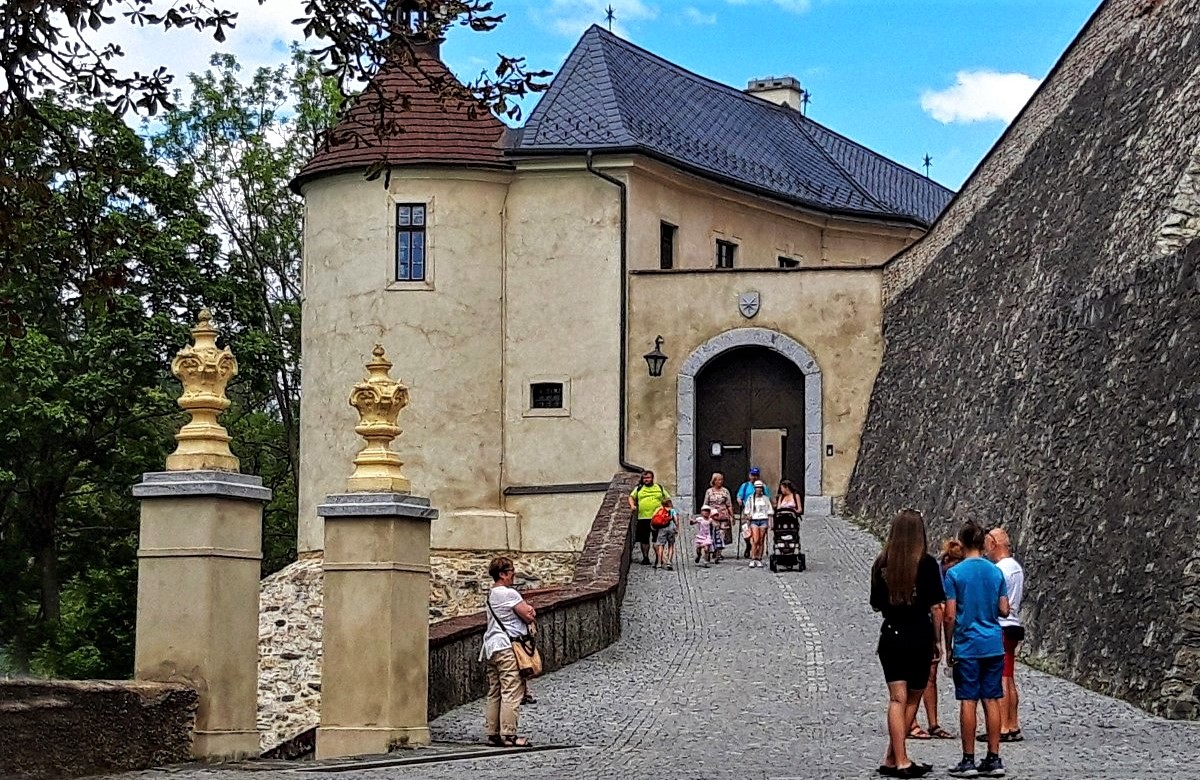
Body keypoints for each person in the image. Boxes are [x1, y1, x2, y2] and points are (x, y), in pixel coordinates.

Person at [870, 509, 943, 778]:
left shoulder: (881, 564)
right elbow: (936, 606)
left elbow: (876, 604)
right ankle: (902, 760)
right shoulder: (926, 564)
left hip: (891, 635)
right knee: (912, 697)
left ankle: (893, 757)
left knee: (895, 699)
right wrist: (938, 641)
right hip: (919, 635)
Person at [944, 522, 1010, 778]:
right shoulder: (996, 573)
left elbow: (950, 615)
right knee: (992, 699)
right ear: (984, 544)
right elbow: (1004, 609)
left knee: (968, 700)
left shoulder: (955, 574)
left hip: (968, 644)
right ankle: (994, 758)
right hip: (993, 643)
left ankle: (968, 760)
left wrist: (948, 646)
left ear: (961, 542)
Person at [909, 540, 964, 741]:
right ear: (949, 560)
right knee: (922, 676)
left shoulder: (943, 572)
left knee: (927, 676)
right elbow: (939, 609)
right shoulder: (936, 572)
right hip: (926, 628)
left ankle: (930, 723)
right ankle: (915, 721)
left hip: (922, 628)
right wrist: (939, 641)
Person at [480, 556, 536, 747]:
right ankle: (509, 735)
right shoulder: (509, 594)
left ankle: (492, 732)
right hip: (508, 647)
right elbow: (528, 616)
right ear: (503, 574)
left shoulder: (491, 593)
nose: (514, 574)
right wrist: (531, 611)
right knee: (511, 690)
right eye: (511, 571)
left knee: (494, 691)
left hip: (491, 646)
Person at [984, 528, 1025, 743]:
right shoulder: (1016, 568)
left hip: (1000, 624)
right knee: (1008, 676)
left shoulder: (999, 570)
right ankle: (1013, 722)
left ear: (993, 544)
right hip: (1014, 624)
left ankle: (1002, 725)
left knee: (1000, 677)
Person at [628, 470, 670, 566]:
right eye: (644, 478)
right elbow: (631, 497)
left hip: (657, 517)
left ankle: (658, 558)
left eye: (648, 478)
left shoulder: (659, 487)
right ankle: (645, 558)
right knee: (644, 539)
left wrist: (668, 510)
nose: (646, 480)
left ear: (652, 478)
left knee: (657, 539)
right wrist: (632, 506)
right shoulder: (639, 489)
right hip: (643, 517)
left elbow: (667, 498)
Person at [737, 467, 770, 559]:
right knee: (746, 531)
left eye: (756, 475)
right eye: (752, 475)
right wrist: (739, 500)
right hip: (747, 511)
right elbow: (739, 496)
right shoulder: (745, 486)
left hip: (759, 512)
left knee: (758, 534)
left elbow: (767, 498)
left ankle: (756, 550)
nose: (754, 477)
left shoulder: (763, 486)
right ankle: (749, 545)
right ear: (749, 475)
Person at [703, 472, 734, 562]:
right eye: (719, 479)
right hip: (712, 515)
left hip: (724, 515)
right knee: (713, 532)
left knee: (722, 534)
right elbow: (706, 504)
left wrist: (732, 515)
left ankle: (718, 552)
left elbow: (729, 504)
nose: (721, 481)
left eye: (722, 479)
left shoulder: (725, 491)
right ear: (714, 481)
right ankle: (712, 549)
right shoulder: (709, 491)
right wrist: (704, 515)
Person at [744, 480, 773, 568]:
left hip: (763, 519)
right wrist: (747, 515)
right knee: (755, 540)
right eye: (757, 488)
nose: (759, 489)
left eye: (760, 488)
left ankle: (759, 558)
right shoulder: (750, 498)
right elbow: (747, 510)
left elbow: (770, 510)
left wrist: (770, 522)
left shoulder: (765, 498)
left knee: (761, 540)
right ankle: (753, 558)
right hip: (754, 520)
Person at [652, 499, 679, 571]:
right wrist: (677, 528)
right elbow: (676, 520)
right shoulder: (672, 510)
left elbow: (653, 517)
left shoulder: (660, 509)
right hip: (671, 529)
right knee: (671, 545)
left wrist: (653, 527)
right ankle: (669, 562)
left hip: (662, 529)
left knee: (661, 545)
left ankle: (659, 563)